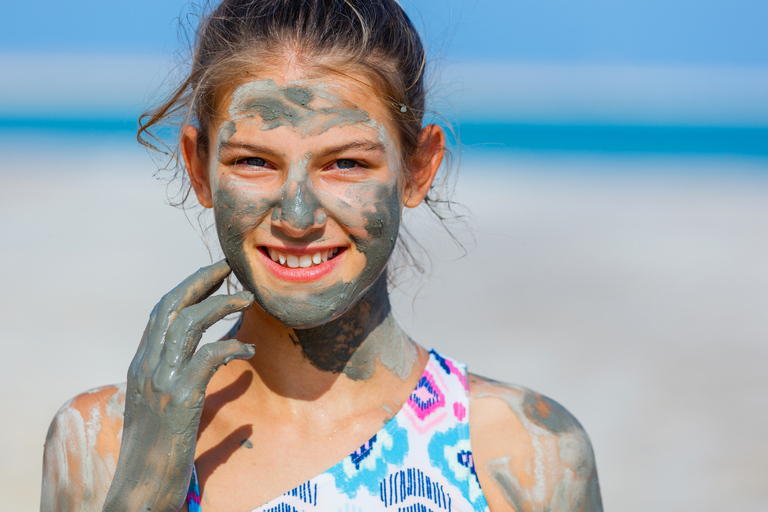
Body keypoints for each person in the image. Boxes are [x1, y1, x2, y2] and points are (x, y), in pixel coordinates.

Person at [40, 1, 602, 510]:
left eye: (347, 164)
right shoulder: (103, 442)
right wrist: (147, 485)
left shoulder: (522, 453)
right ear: (198, 167)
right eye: (254, 162)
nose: (299, 217)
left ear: (418, 167)